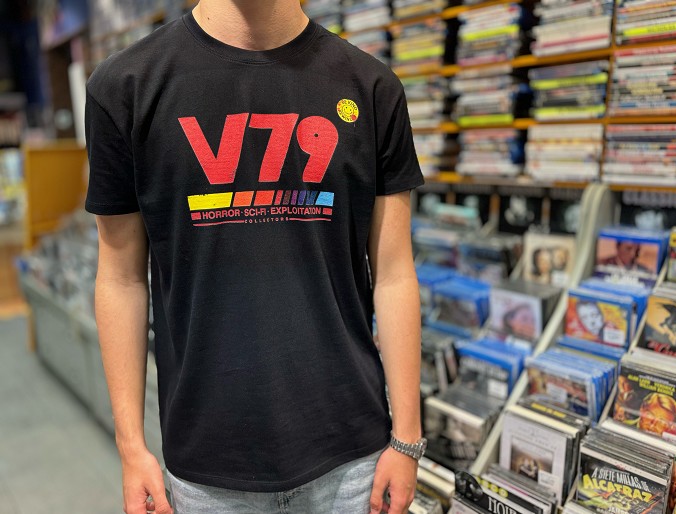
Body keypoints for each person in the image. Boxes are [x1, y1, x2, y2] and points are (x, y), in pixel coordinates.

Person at [84, 1, 425, 513]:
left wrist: (407, 439)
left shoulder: (372, 87)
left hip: (353, 460)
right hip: (207, 465)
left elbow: (395, 274)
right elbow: (120, 278)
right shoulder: (125, 88)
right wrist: (131, 447)